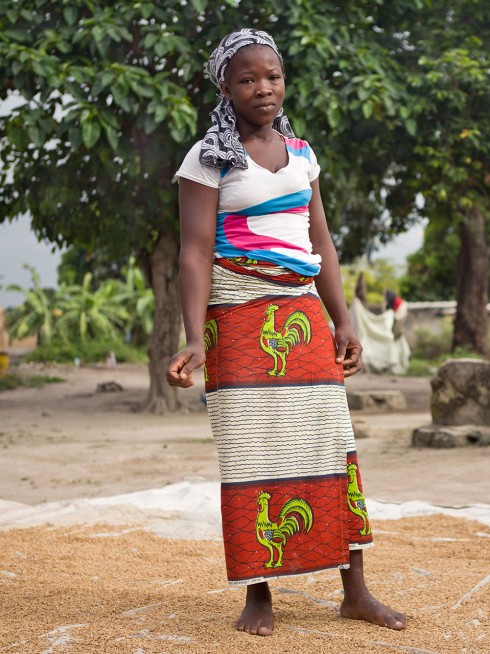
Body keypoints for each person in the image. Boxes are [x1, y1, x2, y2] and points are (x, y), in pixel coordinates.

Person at [165, 28, 406, 637]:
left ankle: (355, 590)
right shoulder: (208, 158)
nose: (262, 87)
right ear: (225, 86)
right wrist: (194, 337)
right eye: (247, 78)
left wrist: (345, 319)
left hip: (302, 316)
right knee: (251, 455)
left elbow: (318, 239)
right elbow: (193, 252)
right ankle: (259, 594)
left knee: (331, 445)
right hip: (238, 317)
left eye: (271, 75)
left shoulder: (302, 152)